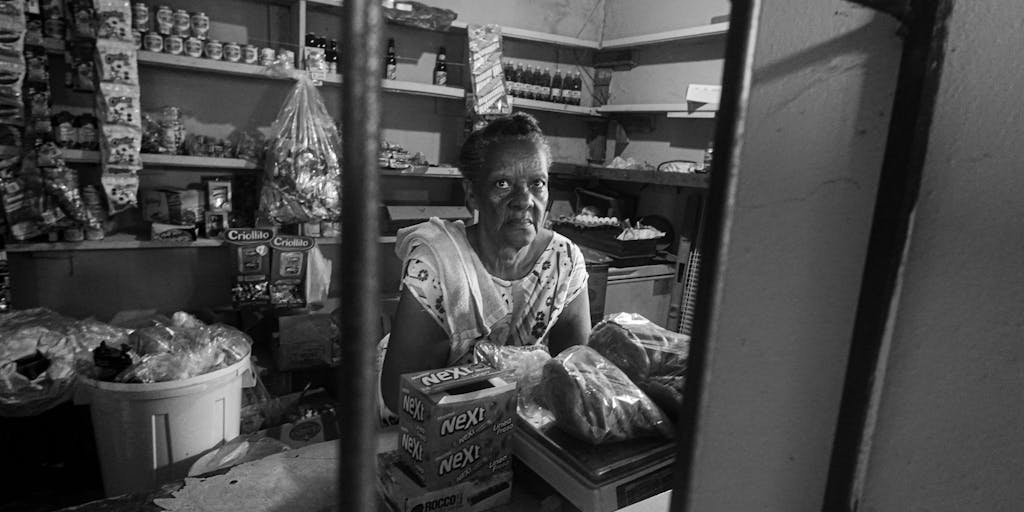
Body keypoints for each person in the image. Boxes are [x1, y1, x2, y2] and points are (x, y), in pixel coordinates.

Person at [378, 112, 591, 420]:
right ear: (471, 195)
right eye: (502, 184)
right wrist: (520, 378)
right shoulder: (440, 264)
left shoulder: (564, 261)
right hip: (424, 425)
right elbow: (403, 397)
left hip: (510, 421)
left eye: (537, 183)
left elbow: (577, 371)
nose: (524, 200)